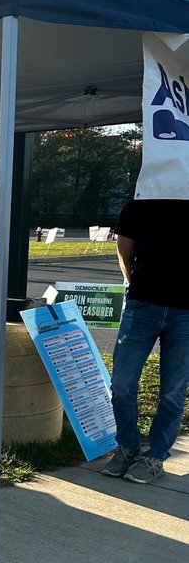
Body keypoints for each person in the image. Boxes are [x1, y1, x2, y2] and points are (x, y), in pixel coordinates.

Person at [103, 196, 189, 484]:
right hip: (142, 305)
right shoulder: (140, 202)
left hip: (186, 313)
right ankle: (127, 447)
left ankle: (156, 456)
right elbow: (124, 254)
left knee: (173, 391)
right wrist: (136, 284)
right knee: (122, 383)